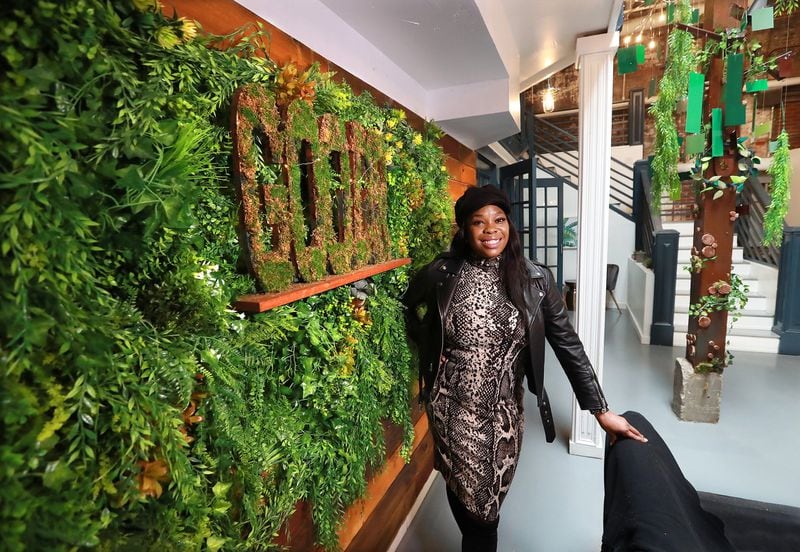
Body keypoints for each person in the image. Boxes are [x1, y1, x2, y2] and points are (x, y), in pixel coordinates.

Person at [402, 186, 646, 552]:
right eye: (478, 222)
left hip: (505, 414)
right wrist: (428, 348)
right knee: (480, 516)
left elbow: (567, 345)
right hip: (452, 408)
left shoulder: (535, 279)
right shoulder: (442, 273)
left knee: (487, 502)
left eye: (499, 220)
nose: (490, 229)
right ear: (465, 230)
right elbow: (406, 306)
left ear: (509, 226)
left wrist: (601, 410)